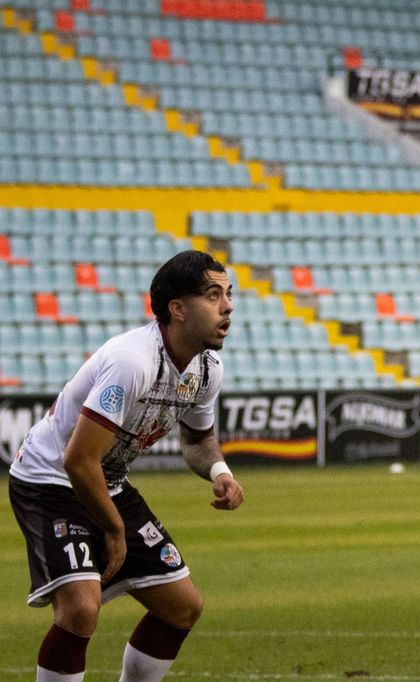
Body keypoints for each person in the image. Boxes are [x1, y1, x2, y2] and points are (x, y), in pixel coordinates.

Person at [8, 250, 245, 682]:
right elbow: (78, 460)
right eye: (214, 295)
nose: (227, 305)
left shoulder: (208, 369)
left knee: (182, 607)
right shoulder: (131, 361)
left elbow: (197, 441)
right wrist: (114, 531)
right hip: (50, 480)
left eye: (229, 294)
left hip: (107, 481)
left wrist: (220, 473)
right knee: (81, 607)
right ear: (177, 308)